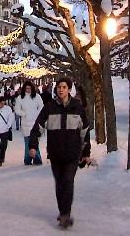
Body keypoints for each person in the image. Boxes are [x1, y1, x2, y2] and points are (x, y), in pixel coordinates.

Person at [28, 77, 91, 229]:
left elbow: (84, 131)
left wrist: (86, 152)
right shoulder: (49, 107)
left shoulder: (77, 107)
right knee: (60, 183)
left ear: (69, 89)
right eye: (58, 87)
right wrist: (33, 145)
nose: (61, 89)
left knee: (68, 181)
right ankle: (62, 210)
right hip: (55, 153)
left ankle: (65, 214)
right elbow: (38, 127)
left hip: (72, 153)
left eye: (64, 87)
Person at [15, 80, 44, 165]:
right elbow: (17, 109)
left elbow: (41, 107)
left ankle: (37, 158)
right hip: (25, 124)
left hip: (35, 123)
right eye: (26, 88)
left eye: (29, 88)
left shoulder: (37, 97)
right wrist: (24, 114)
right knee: (27, 142)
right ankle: (27, 159)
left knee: (35, 142)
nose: (28, 90)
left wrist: (37, 115)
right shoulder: (20, 98)